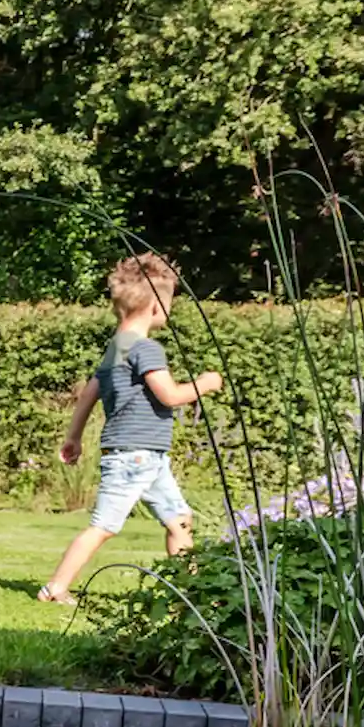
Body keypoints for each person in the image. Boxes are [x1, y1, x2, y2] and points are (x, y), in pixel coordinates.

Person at [37, 252, 225, 604]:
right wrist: (206, 383)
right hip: (135, 457)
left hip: (145, 457)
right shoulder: (145, 349)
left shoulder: (116, 346)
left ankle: (190, 592)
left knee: (179, 519)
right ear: (156, 306)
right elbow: (169, 396)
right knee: (104, 526)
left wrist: (73, 436)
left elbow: (90, 392)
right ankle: (55, 588)